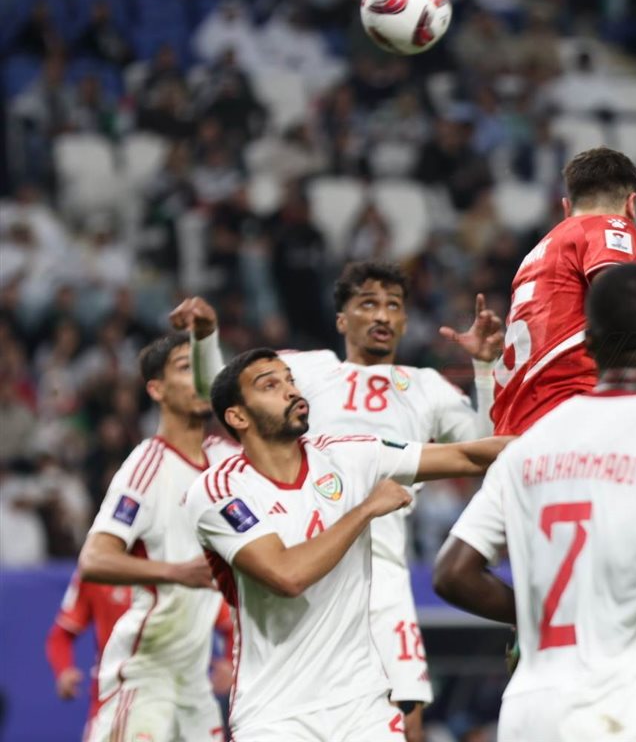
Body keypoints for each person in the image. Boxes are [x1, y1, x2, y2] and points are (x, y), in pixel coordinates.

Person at [434, 263, 636, 741]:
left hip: (528, 710)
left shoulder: (531, 444)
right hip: (621, 703)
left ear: (587, 343)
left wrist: (537, 613)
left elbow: (452, 574)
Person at [174, 261, 502, 741]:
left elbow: (481, 450)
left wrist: (487, 369)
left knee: (406, 722)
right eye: (368, 303)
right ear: (342, 320)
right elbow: (220, 392)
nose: (382, 315)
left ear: (405, 320)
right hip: (295, 540)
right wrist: (205, 339)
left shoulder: (426, 386)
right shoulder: (307, 369)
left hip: (380, 566)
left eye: (393, 305)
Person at [78, 332, 240, 742]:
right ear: (156, 390)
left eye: (203, 368)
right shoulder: (147, 465)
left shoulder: (226, 459)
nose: (200, 379)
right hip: (146, 673)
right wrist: (177, 572)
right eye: (185, 368)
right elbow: (94, 559)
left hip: (195, 682)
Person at [491, 146, 636, 435]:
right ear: (631, 204)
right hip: (569, 411)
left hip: (518, 423)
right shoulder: (610, 226)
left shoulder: (537, 254)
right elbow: (621, 309)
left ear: (566, 207)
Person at [44, 572, 132, 742]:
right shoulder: (95, 569)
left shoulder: (174, 566)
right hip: (111, 694)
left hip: (170, 689)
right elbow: (61, 636)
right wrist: (64, 669)